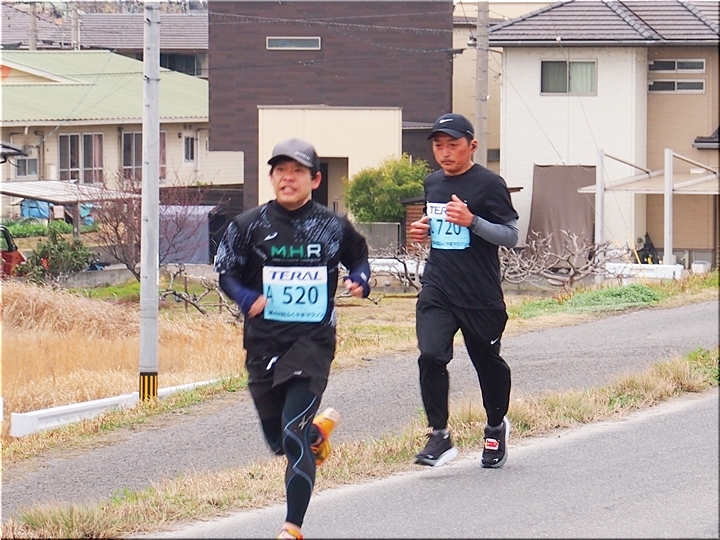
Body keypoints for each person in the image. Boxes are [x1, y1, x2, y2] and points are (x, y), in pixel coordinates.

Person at [214, 138, 371, 540]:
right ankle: (316, 435)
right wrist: (245, 297)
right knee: (277, 440)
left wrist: (360, 279)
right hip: (263, 343)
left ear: (314, 180)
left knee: (291, 433)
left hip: (312, 341)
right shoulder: (247, 226)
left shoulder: (332, 226)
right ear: (271, 178)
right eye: (280, 170)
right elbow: (226, 273)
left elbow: (359, 258)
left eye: (297, 171)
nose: (288, 178)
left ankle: (292, 528)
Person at [409, 113, 519, 469]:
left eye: (452, 144)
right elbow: (438, 224)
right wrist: (425, 229)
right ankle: (439, 435)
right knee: (430, 355)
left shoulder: (490, 184)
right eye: (438, 145)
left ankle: (495, 425)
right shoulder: (433, 183)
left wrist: (472, 221)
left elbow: (511, 236)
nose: (444, 152)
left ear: (472, 145)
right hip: (438, 285)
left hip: (479, 293)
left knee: (487, 364)